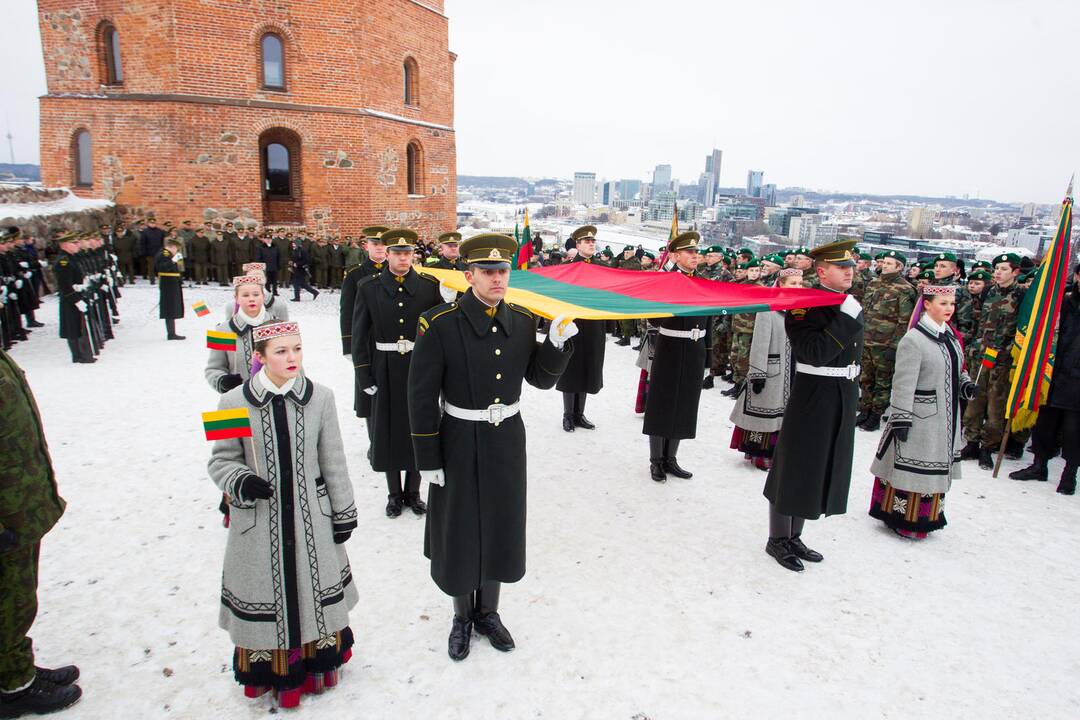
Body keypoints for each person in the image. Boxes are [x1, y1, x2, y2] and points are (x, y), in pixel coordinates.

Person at [408, 233, 576, 661]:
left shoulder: (521, 321)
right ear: (470, 275)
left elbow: (538, 379)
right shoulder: (440, 323)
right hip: (459, 439)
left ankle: (489, 612)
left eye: (503, 271)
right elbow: (421, 395)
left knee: (501, 522)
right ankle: (462, 616)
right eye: (488, 271)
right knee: (461, 527)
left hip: (506, 438)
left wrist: (556, 346)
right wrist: (428, 457)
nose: (497, 278)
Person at [207, 321, 357, 708]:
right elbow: (220, 461)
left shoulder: (321, 398)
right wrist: (239, 479)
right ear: (259, 357)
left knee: (310, 594)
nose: (291, 358)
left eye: (297, 349)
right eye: (280, 351)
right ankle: (270, 672)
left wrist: (342, 511)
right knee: (268, 594)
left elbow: (334, 460)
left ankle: (313, 667)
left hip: (312, 521)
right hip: (258, 525)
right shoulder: (230, 403)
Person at [762, 239, 864, 572]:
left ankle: (795, 535)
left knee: (819, 465)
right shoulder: (804, 305)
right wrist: (847, 318)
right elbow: (814, 352)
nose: (849, 272)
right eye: (841, 267)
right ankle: (778, 538)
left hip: (841, 393)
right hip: (813, 393)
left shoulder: (847, 302)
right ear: (821, 271)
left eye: (850, 266)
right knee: (795, 466)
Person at [0, 347, 84, 718]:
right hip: (7, 513)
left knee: (18, 599)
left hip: (19, 505)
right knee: (7, 602)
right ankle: (13, 689)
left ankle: (16, 667)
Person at [869, 285, 978, 538]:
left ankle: (926, 516)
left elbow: (957, 368)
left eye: (951, 303)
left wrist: (966, 384)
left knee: (934, 466)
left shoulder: (950, 336)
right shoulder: (914, 339)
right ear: (927, 304)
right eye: (943, 303)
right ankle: (901, 516)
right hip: (920, 418)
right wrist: (901, 417)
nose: (949, 308)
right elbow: (903, 382)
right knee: (910, 465)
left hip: (944, 420)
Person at [350, 228, 445, 517]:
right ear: (387, 254)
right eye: (397, 252)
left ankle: (414, 492)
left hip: (419, 367)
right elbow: (359, 333)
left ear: (414, 255)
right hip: (385, 368)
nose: (403, 257)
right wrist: (364, 374)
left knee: (420, 428)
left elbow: (441, 331)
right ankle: (394, 493)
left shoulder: (429, 286)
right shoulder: (369, 287)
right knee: (388, 432)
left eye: (407, 253)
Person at [642, 231, 712, 482]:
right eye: (689, 252)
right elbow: (653, 317)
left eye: (696, 252)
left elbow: (709, 320)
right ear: (675, 256)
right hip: (670, 346)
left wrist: (709, 356)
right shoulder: (667, 280)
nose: (695, 256)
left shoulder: (703, 281)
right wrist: (668, 294)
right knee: (662, 404)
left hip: (695, 349)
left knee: (684, 406)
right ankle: (656, 461)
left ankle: (671, 458)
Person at [1009, 263, 1079, 494]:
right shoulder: (1062, 304)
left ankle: (1070, 473)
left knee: (1073, 431)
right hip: (1051, 372)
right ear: (1077, 276)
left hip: (1077, 382)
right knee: (1044, 424)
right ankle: (1040, 465)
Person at [729, 268, 802, 471]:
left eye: (799, 283)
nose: (797, 287)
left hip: (793, 368)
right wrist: (758, 373)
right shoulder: (768, 308)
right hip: (772, 371)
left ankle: (780, 453)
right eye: (792, 283)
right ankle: (759, 453)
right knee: (766, 412)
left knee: (784, 413)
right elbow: (760, 342)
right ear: (781, 284)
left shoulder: (801, 309)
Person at [961, 253, 1026, 469]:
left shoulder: (1022, 295)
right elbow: (977, 320)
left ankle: (987, 447)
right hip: (981, 355)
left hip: (1003, 358)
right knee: (974, 401)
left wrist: (1007, 351)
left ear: (1015, 272)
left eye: (1004, 269)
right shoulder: (988, 290)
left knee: (996, 406)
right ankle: (971, 442)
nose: (998, 272)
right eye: (996, 268)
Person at [856, 250, 917, 432]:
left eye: (889, 264)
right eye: (884, 263)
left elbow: (904, 320)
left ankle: (876, 414)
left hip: (885, 343)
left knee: (882, 381)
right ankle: (865, 410)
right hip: (867, 339)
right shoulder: (873, 283)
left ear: (899, 267)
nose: (883, 266)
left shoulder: (905, 288)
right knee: (866, 379)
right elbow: (865, 312)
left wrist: (895, 346)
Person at [557, 226, 606, 432]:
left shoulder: (602, 267)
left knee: (588, 366)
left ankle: (580, 414)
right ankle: (568, 415)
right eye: (586, 242)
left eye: (593, 241)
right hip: (574, 323)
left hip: (594, 324)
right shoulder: (569, 267)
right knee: (571, 369)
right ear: (577, 245)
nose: (591, 244)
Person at [52, 232, 95, 363]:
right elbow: (65, 285)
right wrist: (76, 300)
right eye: (74, 243)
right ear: (64, 245)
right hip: (70, 299)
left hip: (77, 295)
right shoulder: (63, 261)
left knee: (78, 325)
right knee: (73, 326)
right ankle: (78, 355)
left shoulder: (71, 258)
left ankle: (82, 354)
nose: (78, 245)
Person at [154, 238, 186, 340]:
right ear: (172, 247)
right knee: (170, 308)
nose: (176, 251)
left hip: (172, 282)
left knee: (172, 307)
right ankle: (171, 333)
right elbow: (162, 267)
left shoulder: (166, 254)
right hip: (168, 283)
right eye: (176, 248)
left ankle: (172, 332)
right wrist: (173, 260)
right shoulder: (164, 254)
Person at [289, 238, 319, 302]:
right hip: (296, 269)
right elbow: (295, 259)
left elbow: (306, 260)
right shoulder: (295, 250)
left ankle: (297, 298)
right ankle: (315, 292)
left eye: (294, 244)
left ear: (298, 244)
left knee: (296, 283)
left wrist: (297, 264)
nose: (293, 245)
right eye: (292, 244)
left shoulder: (302, 251)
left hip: (301, 270)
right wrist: (291, 264)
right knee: (303, 284)